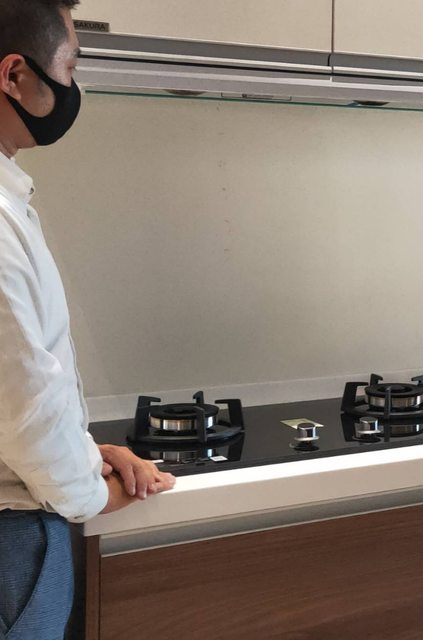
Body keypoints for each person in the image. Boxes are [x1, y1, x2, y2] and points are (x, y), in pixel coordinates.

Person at [0, 2, 176, 637]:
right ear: (14, 75)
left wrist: (81, 451)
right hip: (12, 536)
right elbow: (24, 404)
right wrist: (96, 491)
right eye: (70, 68)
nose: (74, 88)